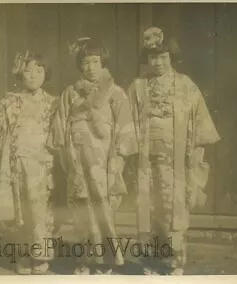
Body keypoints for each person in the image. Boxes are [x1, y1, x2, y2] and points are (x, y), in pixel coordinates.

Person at [127, 27, 221, 275]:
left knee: (173, 209)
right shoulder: (137, 87)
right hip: (146, 161)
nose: (158, 62)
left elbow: (199, 125)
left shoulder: (186, 85)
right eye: (152, 57)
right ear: (146, 60)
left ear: (172, 57)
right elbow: (125, 126)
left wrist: (195, 157)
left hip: (176, 160)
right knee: (149, 208)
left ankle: (173, 263)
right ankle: (150, 262)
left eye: (163, 57)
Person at [47, 37, 138, 275]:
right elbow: (59, 127)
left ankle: (107, 260)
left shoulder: (115, 93)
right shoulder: (70, 93)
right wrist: (66, 155)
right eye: (86, 62)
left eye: (95, 61)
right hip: (77, 158)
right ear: (80, 65)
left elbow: (125, 128)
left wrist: (118, 159)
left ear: (103, 63)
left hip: (103, 159)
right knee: (82, 208)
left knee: (102, 208)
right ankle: (87, 259)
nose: (90, 67)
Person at [0, 51, 57, 275]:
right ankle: (22, 254)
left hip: (41, 163)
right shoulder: (9, 102)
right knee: (19, 210)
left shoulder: (52, 103)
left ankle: (40, 256)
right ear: (20, 73)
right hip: (14, 162)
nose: (33, 75)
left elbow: (58, 136)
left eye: (39, 70)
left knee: (39, 211)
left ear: (46, 74)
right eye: (28, 70)